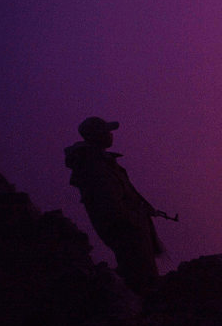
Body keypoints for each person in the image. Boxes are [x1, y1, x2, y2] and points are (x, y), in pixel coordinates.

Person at [65, 117, 164, 295]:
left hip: (129, 231)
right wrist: (138, 217)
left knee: (142, 279)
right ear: (97, 136)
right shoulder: (96, 167)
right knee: (143, 281)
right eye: (107, 131)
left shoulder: (99, 162)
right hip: (128, 233)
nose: (111, 135)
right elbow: (111, 207)